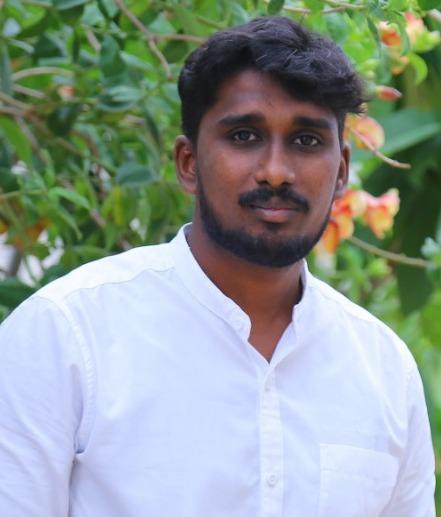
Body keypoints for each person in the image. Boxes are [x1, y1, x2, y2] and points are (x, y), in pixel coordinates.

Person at [0, 16, 435, 517]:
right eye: (245, 136)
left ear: (341, 173)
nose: (276, 172)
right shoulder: (66, 336)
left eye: (307, 141)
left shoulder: (384, 370)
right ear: (188, 163)